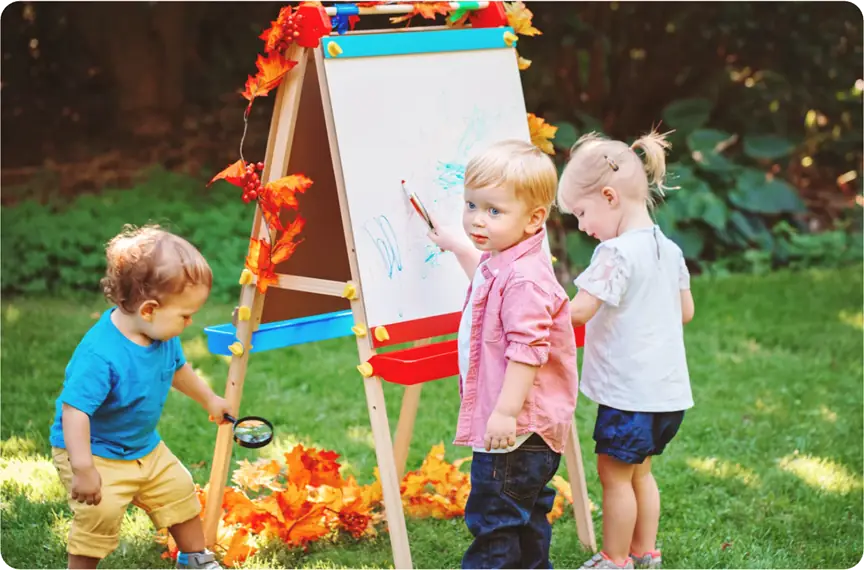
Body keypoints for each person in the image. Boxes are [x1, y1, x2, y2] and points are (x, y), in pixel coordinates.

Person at [428, 139, 579, 569]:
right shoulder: (507, 262)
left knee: (494, 522)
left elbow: (527, 352)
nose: (477, 219)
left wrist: (505, 413)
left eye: (494, 211)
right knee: (525, 517)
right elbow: (487, 286)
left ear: (534, 219)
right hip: (527, 435)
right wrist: (458, 247)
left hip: (515, 433)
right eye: (472, 204)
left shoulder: (525, 281)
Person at [49, 225, 232, 570]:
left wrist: (209, 399)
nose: (190, 322)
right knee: (98, 515)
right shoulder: (100, 354)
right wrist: (83, 468)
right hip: (94, 451)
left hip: (143, 447)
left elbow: (178, 370)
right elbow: (75, 411)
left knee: (180, 491)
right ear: (148, 309)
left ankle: (196, 560)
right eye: (185, 315)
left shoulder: (161, 335)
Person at [557, 131, 695, 570]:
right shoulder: (668, 249)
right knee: (641, 474)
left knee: (614, 479)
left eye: (581, 212)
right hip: (666, 396)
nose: (581, 225)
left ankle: (615, 560)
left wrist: (537, 309)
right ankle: (645, 552)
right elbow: (685, 312)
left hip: (628, 396)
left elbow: (579, 312)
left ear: (609, 196)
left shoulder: (614, 253)